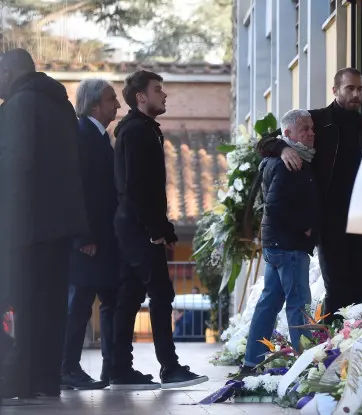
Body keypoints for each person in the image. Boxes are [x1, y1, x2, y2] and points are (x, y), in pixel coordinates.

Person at [257, 68, 362, 322]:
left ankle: (352, 347)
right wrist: (283, 148)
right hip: (328, 219)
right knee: (337, 290)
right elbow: (264, 142)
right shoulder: (316, 120)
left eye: (360, 89)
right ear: (335, 90)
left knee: (360, 291)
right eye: (349, 88)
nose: (356, 94)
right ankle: (329, 350)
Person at [111, 70, 208, 390]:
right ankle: (168, 367)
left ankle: (120, 369)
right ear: (141, 96)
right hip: (138, 227)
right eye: (157, 90)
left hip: (136, 225)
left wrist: (162, 228)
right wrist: (155, 229)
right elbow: (137, 186)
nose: (164, 95)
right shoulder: (137, 131)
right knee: (160, 293)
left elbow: (148, 188)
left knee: (130, 295)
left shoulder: (142, 129)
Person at [0, 48, 88, 399]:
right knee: (52, 306)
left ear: (9, 71)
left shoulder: (17, 108)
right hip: (60, 226)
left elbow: (13, 169)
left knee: (23, 305)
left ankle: (20, 381)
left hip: (24, 226)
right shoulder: (62, 107)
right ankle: (47, 380)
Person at [60, 79, 132, 390]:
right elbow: (75, 190)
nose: (117, 105)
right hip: (89, 241)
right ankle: (67, 368)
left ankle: (112, 367)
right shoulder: (82, 136)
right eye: (110, 99)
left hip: (104, 239)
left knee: (110, 302)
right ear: (93, 105)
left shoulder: (99, 137)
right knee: (78, 307)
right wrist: (83, 236)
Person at [237, 109, 319, 378]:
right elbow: (275, 204)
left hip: (276, 243)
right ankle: (305, 367)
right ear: (288, 134)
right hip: (289, 245)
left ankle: (252, 362)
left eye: (311, 128)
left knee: (269, 301)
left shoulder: (283, 158)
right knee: (298, 304)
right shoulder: (290, 163)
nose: (310, 133)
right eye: (303, 129)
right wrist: (304, 227)